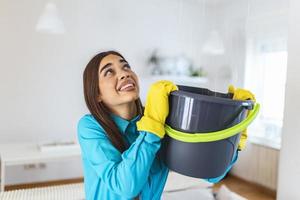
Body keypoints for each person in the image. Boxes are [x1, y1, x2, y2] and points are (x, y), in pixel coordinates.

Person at [77, 50, 253, 200]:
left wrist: (235, 133)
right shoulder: (90, 127)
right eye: (109, 72)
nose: (124, 73)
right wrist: (153, 124)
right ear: (96, 94)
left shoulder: (162, 118)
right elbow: (125, 186)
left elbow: (212, 174)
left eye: (126, 66)